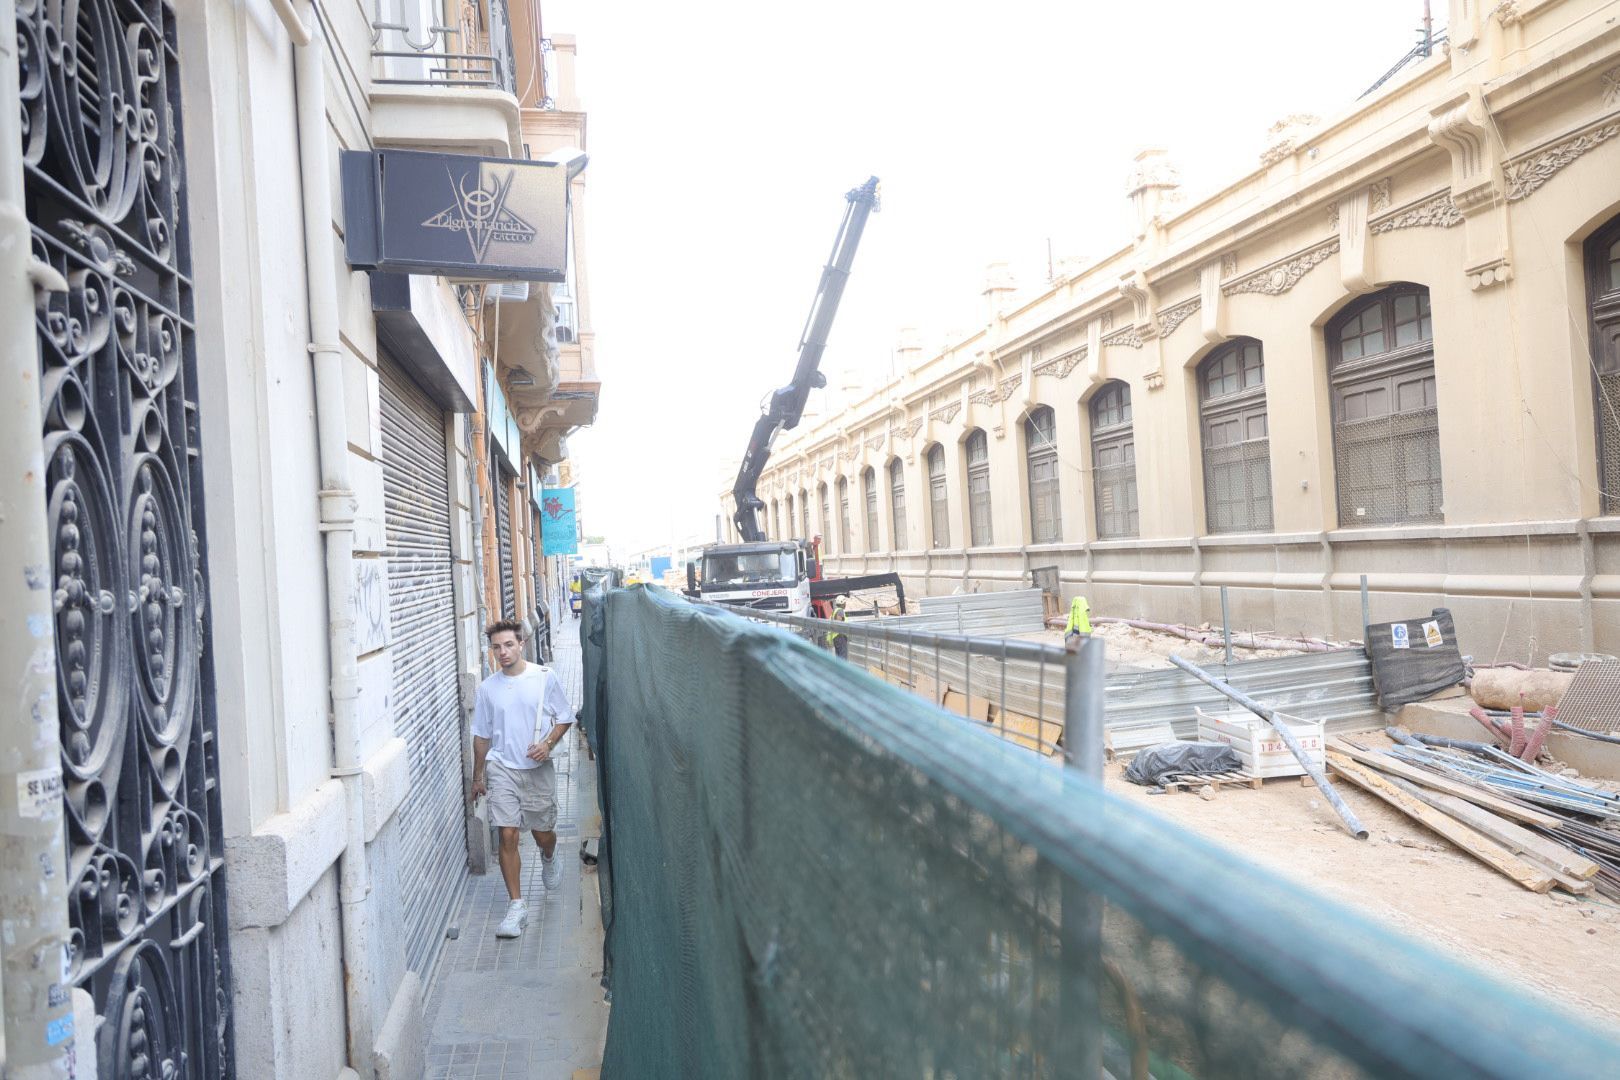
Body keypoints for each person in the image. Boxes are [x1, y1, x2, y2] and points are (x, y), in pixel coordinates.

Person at [470, 619, 574, 939]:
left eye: (508, 645)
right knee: (508, 834)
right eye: (497, 647)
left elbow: (565, 717)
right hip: (502, 768)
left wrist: (547, 744)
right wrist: (478, 776)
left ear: (521, 644)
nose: (502, 652)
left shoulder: (544, 678)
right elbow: (482, 736)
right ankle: (517, 907)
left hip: (537, 770)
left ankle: (548, 855)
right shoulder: (488, 689)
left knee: (544, 833)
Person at [825, 595, 849, 659]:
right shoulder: (840, 611)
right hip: (840, 636)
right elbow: (839, 623)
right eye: (845, 603)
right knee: (842, 657)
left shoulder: (835, 611)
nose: (845, 604)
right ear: (843, 603)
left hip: (837, 637)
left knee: (839, 656)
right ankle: (842, 669)